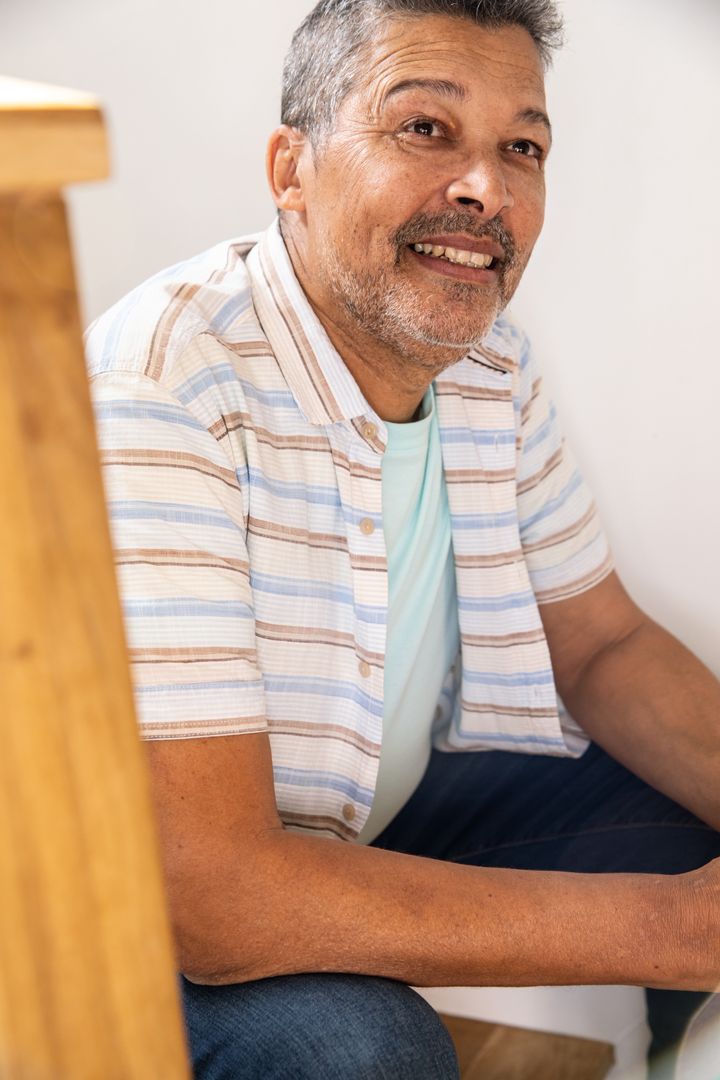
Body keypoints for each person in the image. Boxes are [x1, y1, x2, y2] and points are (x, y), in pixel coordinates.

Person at [85, 0, 720, 1076]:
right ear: (291, 168)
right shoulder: (167, 387)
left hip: (362, 806)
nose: (487, 189)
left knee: (692, 815)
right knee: (363, 1051)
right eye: (426, 129)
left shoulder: (487, 364)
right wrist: (673, 928)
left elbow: (601, 646)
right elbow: (217, 895)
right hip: (140, 903)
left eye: (522, 146)